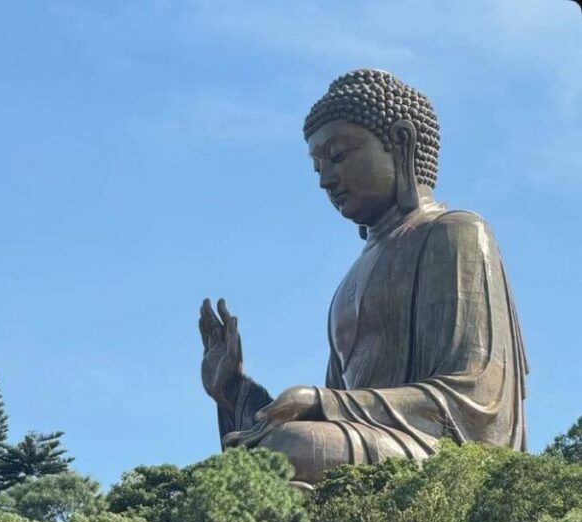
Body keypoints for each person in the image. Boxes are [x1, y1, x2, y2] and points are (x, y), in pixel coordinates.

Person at [199, 68, 528, 485]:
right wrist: (233, 389)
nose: (325, 179)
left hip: (441, 455)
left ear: (401, 143)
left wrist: (320, 401)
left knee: (291, 448)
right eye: (317, 165)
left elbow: (477, 399)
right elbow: (335, 410)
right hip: (373, 440)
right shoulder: (350, 281)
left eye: (337, 156)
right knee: (269, 452)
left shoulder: (456, 232)